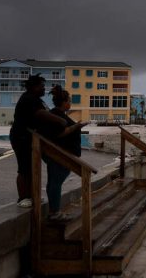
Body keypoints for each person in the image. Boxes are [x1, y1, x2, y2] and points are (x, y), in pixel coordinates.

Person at [10, 74, 67, 208]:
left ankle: (32, 195)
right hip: (21, 138)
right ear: (34, 87)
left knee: (31, 168)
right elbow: (41, 114)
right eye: (41, 86)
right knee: (24, 168)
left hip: (31, 138)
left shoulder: (36, 99)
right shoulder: (28, 99)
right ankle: (23, 197)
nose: (43, 89)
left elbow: (46, 111)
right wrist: (60, 120)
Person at [41, 85, 88, 221]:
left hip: (62, 155)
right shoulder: (56, 116)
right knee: (55, 182)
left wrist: (76, 126)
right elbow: (59, 134)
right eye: (69, 100)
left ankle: (54, 211)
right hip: (60, 156)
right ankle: (54, 212)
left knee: (54, 182)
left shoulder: (57, 114)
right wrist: (76, 126)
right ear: (63, 102)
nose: (70, 103)